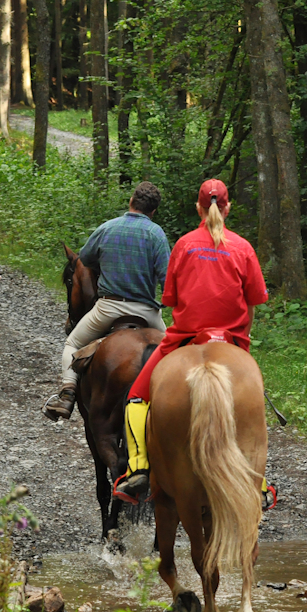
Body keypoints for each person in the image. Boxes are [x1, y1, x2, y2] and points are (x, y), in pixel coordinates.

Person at [114, 178, 269, 503]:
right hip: (231, 343)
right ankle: (259, 480)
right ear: (227, 207)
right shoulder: (243, 248)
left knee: (136, 399)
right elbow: (252, 304)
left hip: (184, 339)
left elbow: (169, 299)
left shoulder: (184, 245)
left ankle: (139, 469)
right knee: (253, 407)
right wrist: (241, 339)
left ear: (199, 207)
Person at [42, 181, 171, 421]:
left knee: (72, 344)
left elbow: (86, 258)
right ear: (153, 211)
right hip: (147, 312)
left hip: (109, 307)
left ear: (131, 201)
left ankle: (67, 393)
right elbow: (167, 280)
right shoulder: (157, 235)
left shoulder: (108, 228)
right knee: (176, 354)